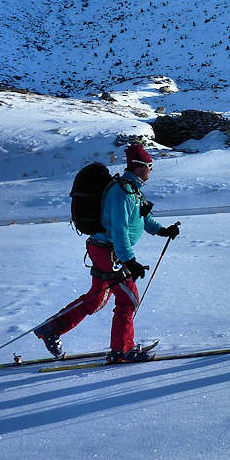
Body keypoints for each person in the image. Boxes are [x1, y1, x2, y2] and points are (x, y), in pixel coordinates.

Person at [34, 144, 181, 362]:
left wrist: (163, 230)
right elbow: (119, 230)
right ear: (140, 167)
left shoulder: (132, 189)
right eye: (150, 166)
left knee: (97, 299)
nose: (152, 170)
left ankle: (51, 329)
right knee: (128, 300)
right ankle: (122, 350)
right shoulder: (122, 192)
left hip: (105, 250)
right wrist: (129, 261)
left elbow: (141, 219)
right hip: (110, 252)